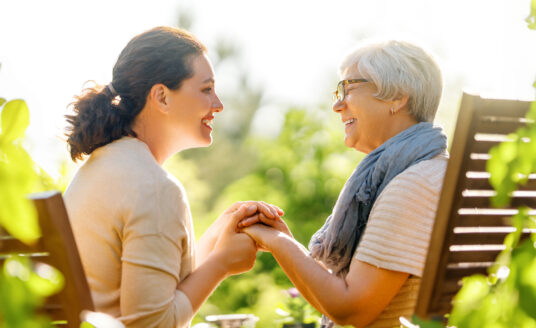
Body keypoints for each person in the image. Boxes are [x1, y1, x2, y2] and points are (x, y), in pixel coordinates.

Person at [63, 26, 282, 328]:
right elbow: (151, 324)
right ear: (162, 97)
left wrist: (218, 237)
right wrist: (221, 264)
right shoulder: (154, 188)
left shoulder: (98, 169)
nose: (218, 104)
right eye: (206, 89)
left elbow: (155, 290)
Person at [239, 40, 448, 328]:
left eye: (348, 88)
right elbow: (346, 298)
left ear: (397, 97)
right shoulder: (437, 174)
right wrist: (286, 239)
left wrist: (275, 242)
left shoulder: (412, 186)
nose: (337, 105)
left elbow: (351, 311)